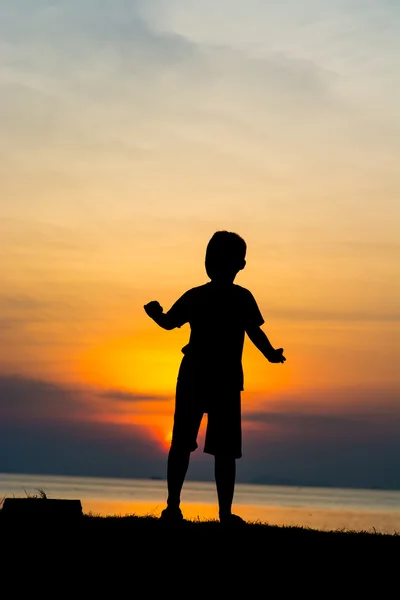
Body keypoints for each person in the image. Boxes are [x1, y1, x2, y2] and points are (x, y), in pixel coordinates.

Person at [144, 230, 286, 525]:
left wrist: (271, 353)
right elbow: (170, 322)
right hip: (201, 375)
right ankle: (176, 507)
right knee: (192, 444)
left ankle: (214, 512)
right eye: (211, 256)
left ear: (240, 264)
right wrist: (157, 315)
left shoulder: (235, 298)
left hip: (219, 378)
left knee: (221, 450)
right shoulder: (206, 296)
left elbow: (254, 332)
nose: (214, 262)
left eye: (219, 257)